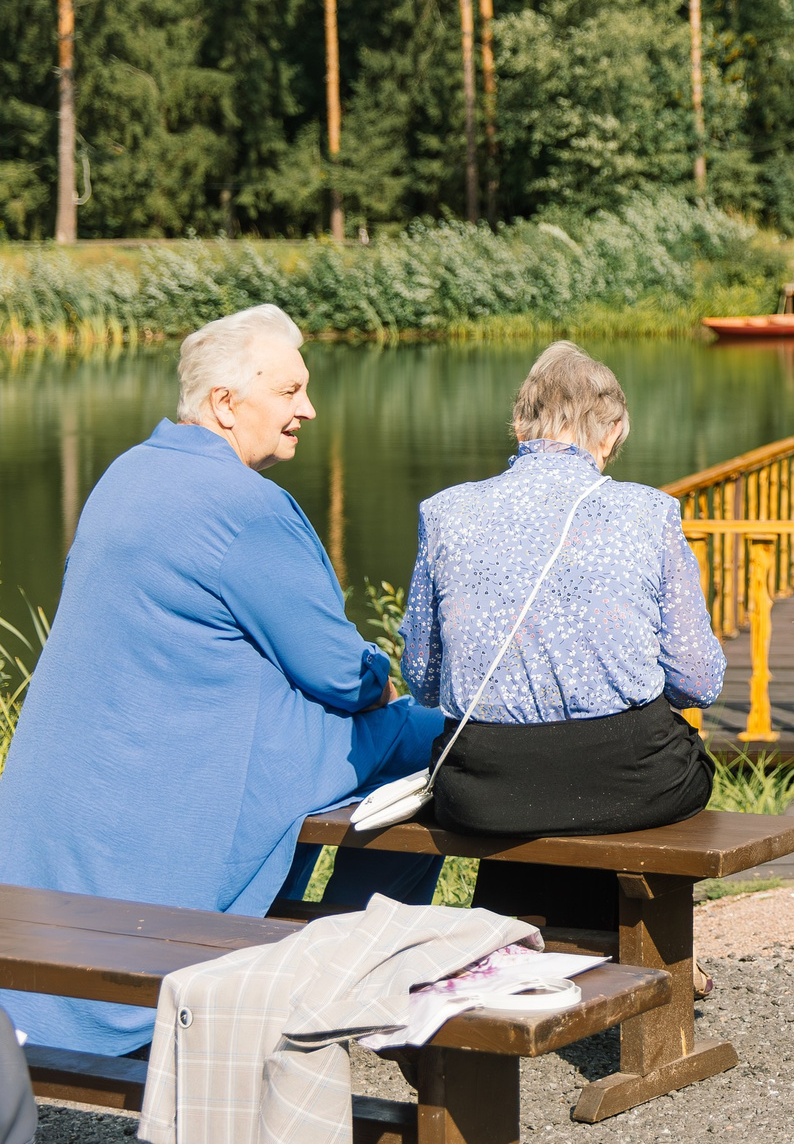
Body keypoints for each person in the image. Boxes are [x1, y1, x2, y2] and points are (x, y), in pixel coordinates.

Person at [0, 305, 443, 1055]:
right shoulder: (245, 507)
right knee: (439, 741)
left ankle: (332, 964)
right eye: (290, 390)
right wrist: (384, 680)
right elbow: (339, 672)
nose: (308, 407)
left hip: (75, 820)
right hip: (180, 796)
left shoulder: (126, 472)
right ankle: (347, 980)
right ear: (225, 404)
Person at [404, 340, 723, 930]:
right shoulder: (650, 512)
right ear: (612, 430)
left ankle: (520, 935)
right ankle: (634, 947)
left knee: (539, 781)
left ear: (520, 425)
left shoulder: (445, 511)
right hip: (630, 780)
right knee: (648, 764)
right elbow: (698, 682)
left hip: (482, 787)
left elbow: (423, 682)